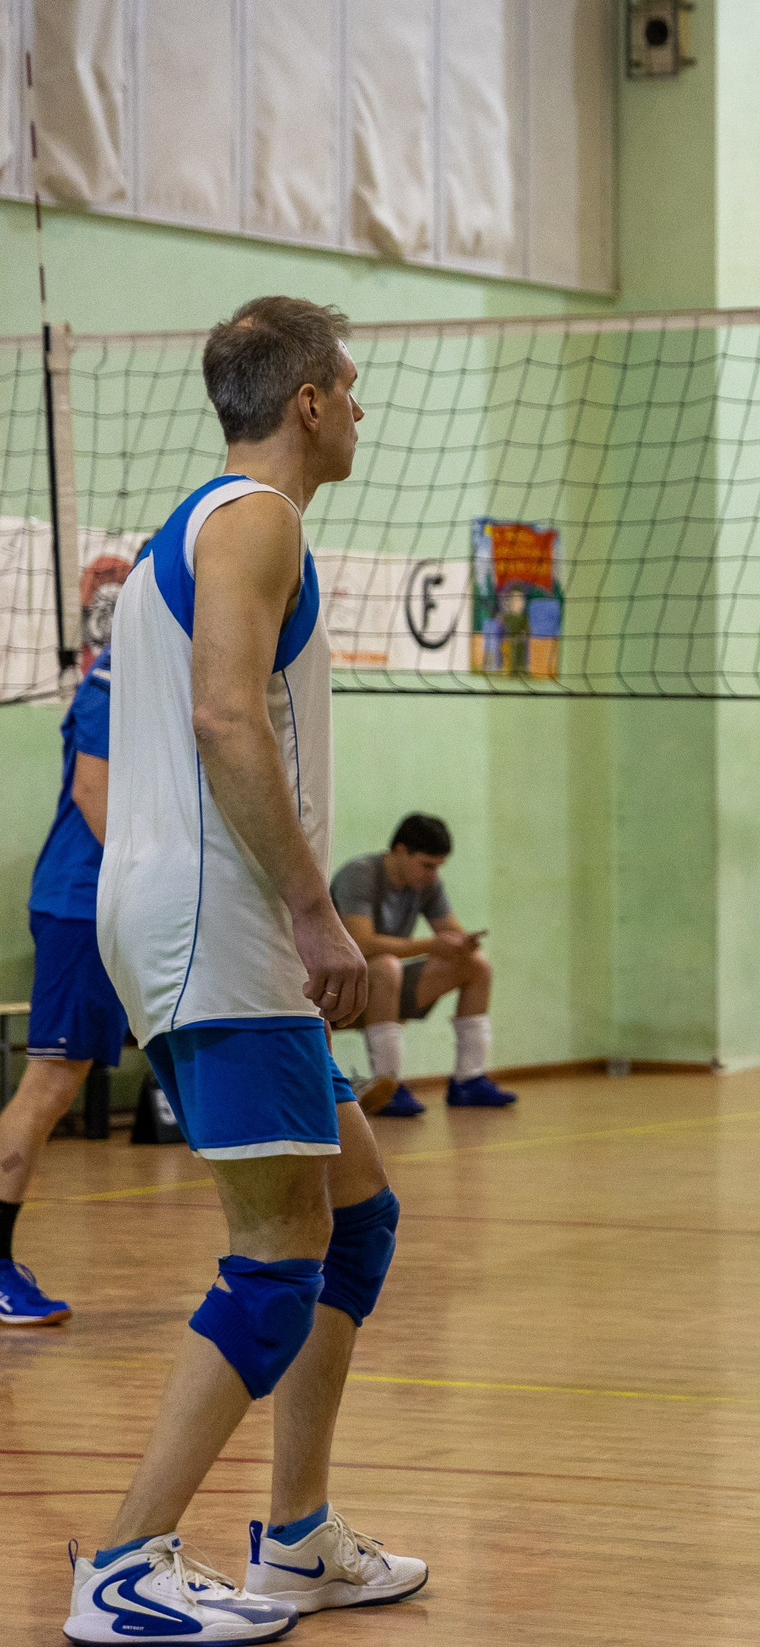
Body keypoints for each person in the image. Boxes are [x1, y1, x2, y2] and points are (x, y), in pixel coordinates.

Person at [73, 297, 425, 1642]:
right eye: (353, 386)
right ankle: (122, 1566)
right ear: (311, 402)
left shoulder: (215, 525)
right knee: (278, 1255)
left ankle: (296, 1536)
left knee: (358, 1215)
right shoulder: (256, 518)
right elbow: (226, 718)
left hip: (211, 919)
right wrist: (316, 915)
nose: (362, 409)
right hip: (219, 926)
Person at [0, 647, 119, 1327]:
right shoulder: (118, 671)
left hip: (129, 906)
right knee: (50, 1081)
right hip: (83, 904)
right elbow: (93, 794)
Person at [331, 813, 511, 1114]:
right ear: (401, 850)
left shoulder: (427, 884)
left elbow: (451, 932)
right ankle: (387, 1086)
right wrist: (433, 944)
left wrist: (462, 943)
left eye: (438, 867)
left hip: (387, 986)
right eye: (427, 865)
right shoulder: (360, 874)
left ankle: (469, 1080)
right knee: (386, 965)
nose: (432, 875)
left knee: (476, 964)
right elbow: (360, 945)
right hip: (338, 991)